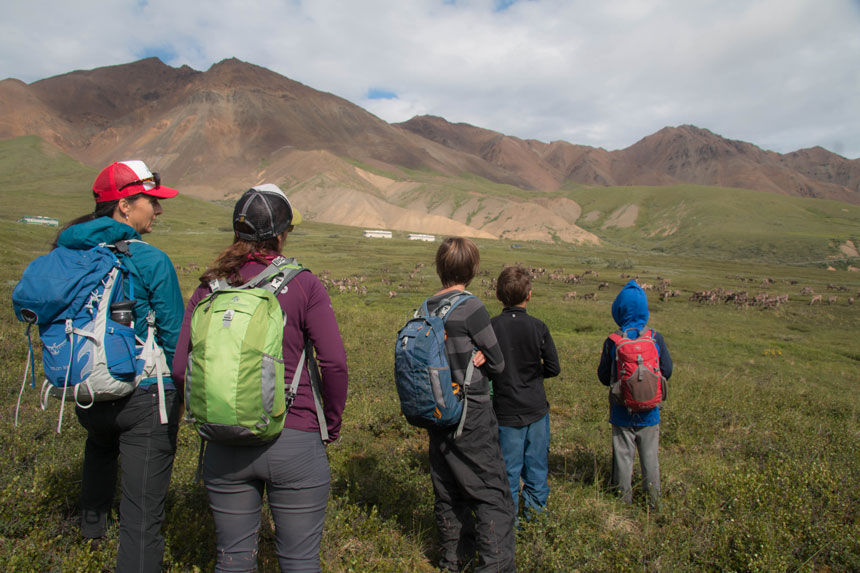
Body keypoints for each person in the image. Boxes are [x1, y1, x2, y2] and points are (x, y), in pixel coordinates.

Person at [172, 184, 349, 572]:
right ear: (282, 234)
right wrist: (330, 425)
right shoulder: (303, 284)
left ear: (237, 231)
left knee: (232, 560)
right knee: (299, 560)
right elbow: (334, 363)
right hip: (296, 437)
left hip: (223, 441)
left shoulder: (208, 287)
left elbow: (181, 370)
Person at [56, 160, 184, 572]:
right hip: (144, 397)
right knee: (143, 512)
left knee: (99, 449)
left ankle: (89, 540)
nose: (158, 211)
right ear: (125, 207)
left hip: (87, 389)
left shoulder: (68, 253)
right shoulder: (151, 260)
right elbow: (174, 335)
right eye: (152, 201)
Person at [424, 237, 516, 572]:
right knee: (491, 493)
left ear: (440, 268)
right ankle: (494, 566)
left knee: (448, 493)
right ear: (474, 270)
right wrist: (481, 358)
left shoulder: (426, 307)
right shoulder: (472, 308)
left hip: (437, 412)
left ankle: (453, 562)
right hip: (471, 414)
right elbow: (498, 363)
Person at [490, 265, 560, 523]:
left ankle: (508, 526)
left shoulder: (492, 326)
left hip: (506, 413)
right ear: (529, 295)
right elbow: (553, 368)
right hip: (537, 410)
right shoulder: (538, 327)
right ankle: (536, 521)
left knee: (507, 472)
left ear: (498, 295)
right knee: (537, 469)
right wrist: (532, 374)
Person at [597, 280, 673, 509]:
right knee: (650, 458)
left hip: (621, 410)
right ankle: (654, 502)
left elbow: (603, 377)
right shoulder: (655, 337)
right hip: (650, 412)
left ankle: (623, 504)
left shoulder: (613, 340)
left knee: (623, 457)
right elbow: (667, 370)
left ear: (618, 310)